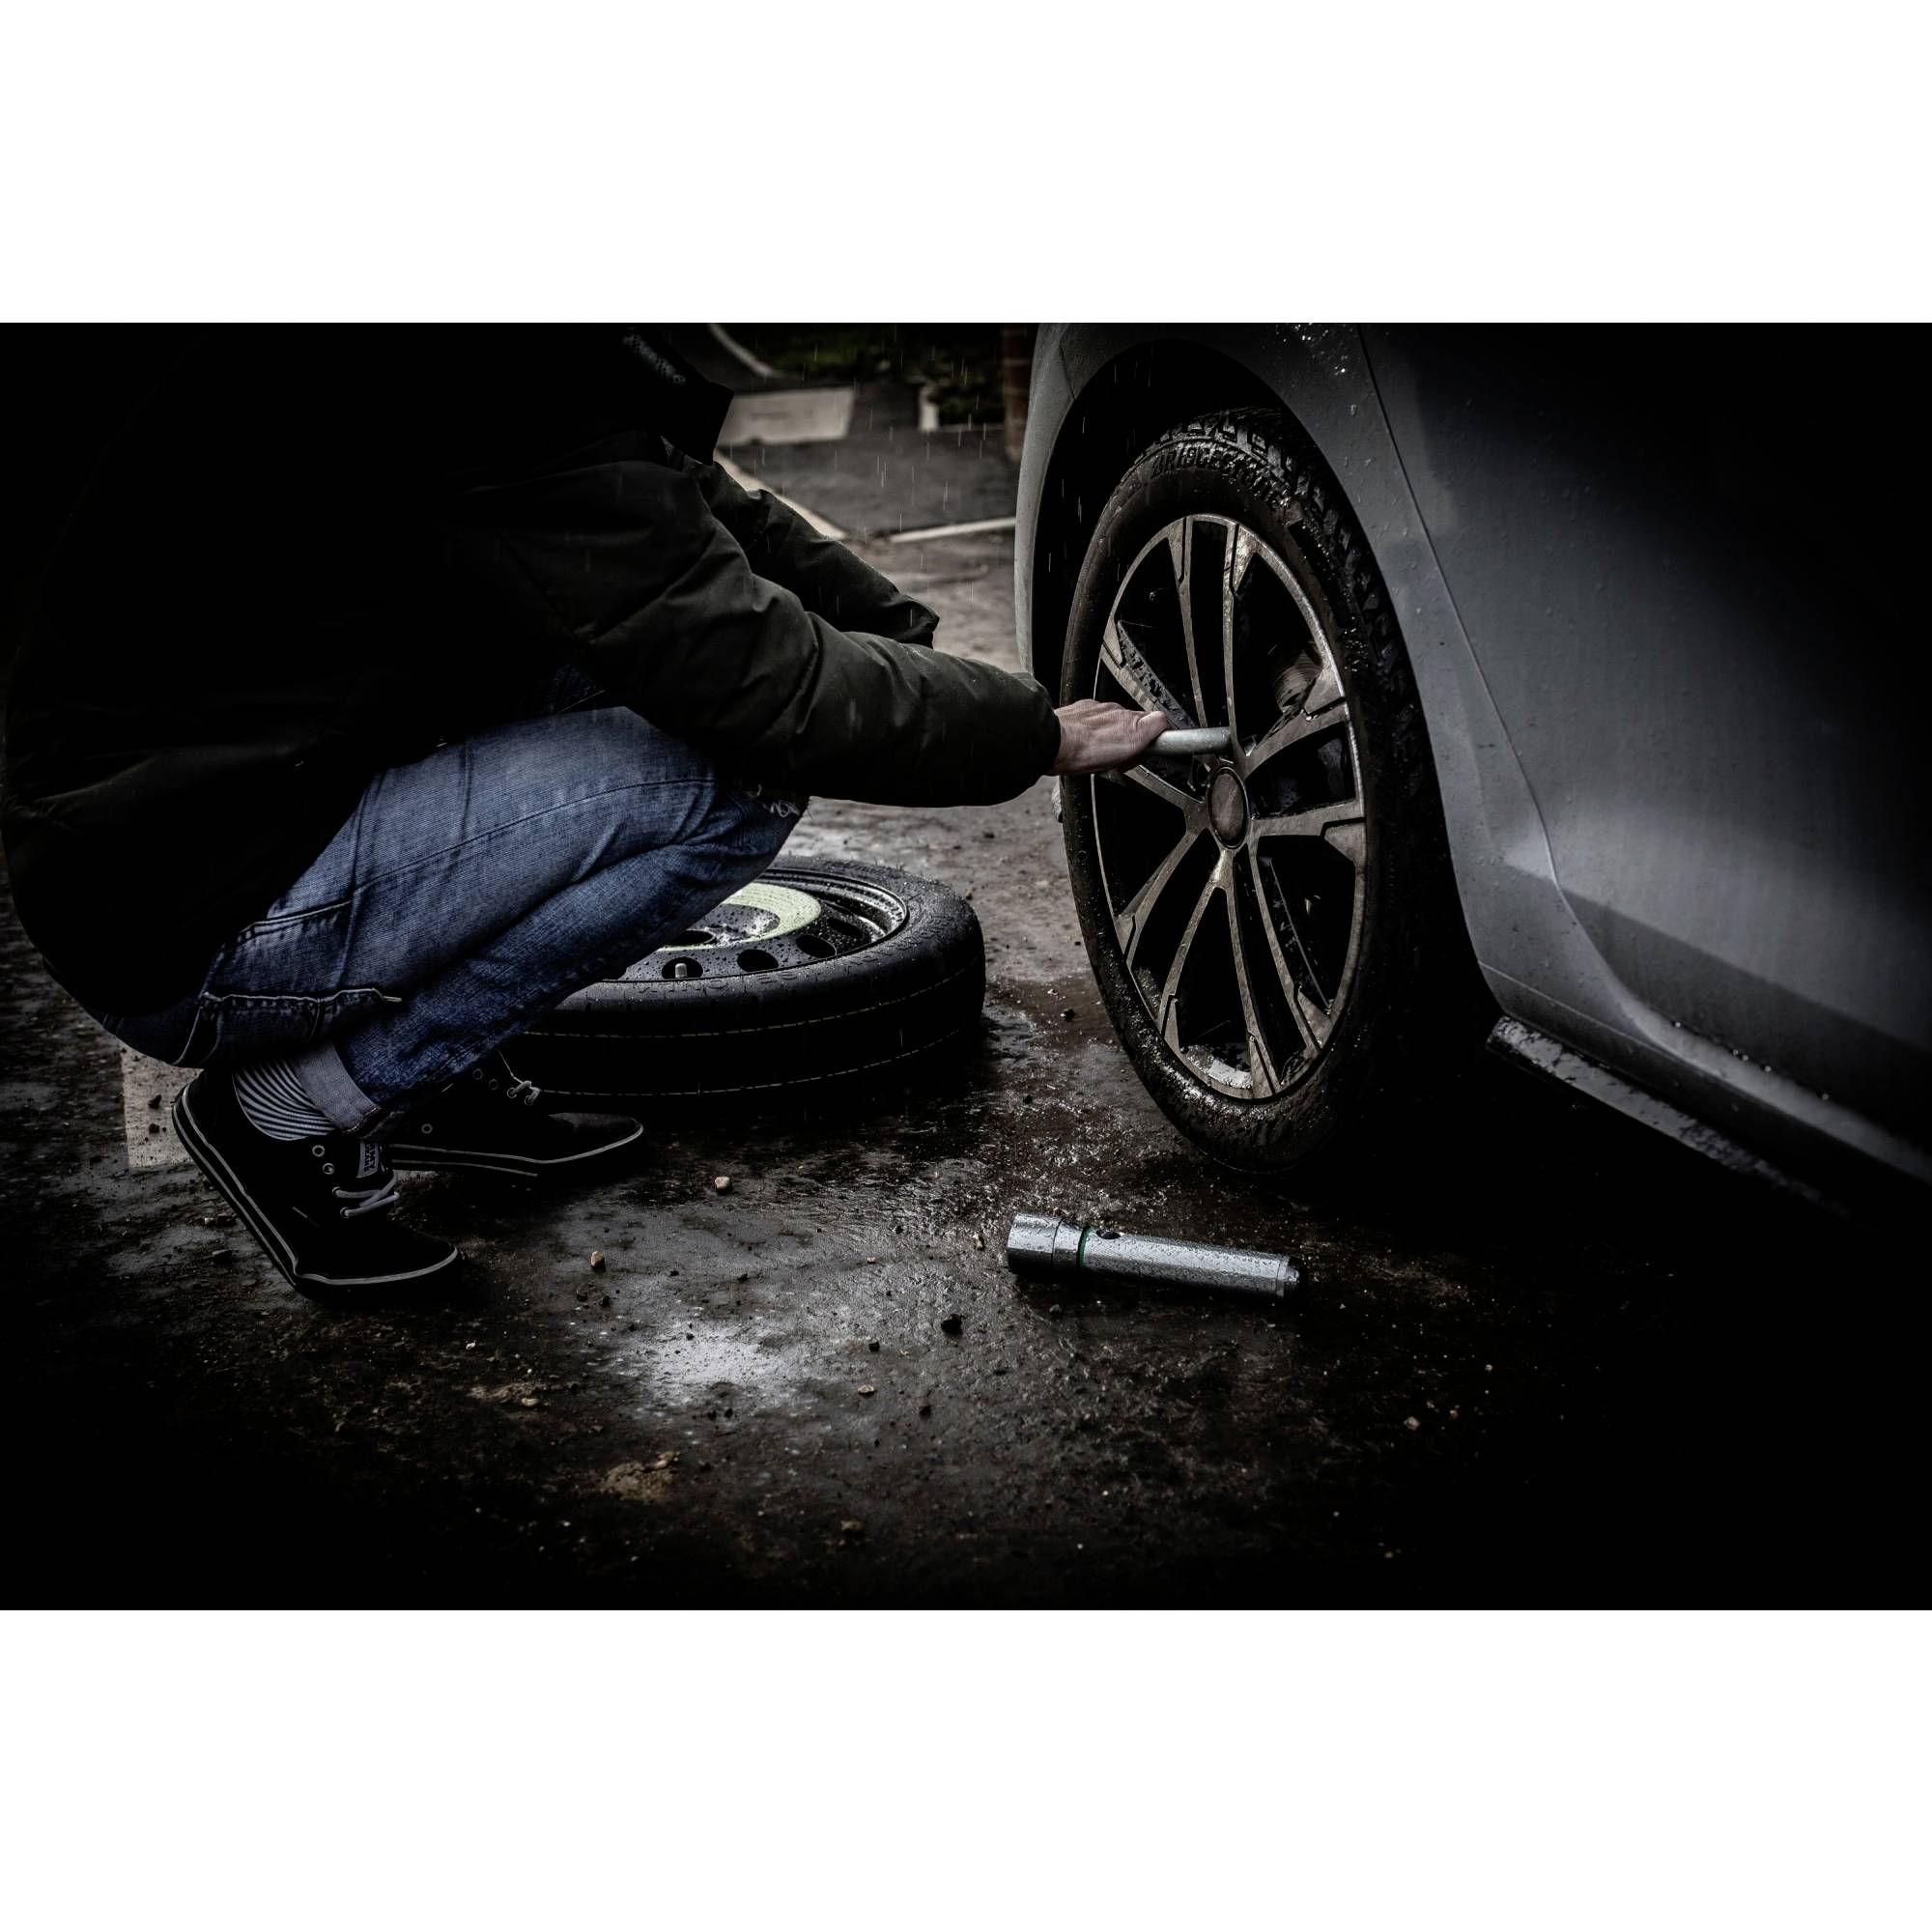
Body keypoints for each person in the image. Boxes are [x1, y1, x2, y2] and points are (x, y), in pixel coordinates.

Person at [2, 328, 1165, 1295]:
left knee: (608, 678)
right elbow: (759, 680)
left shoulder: (501, 336)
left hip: (220, 809)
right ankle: (296, 1108)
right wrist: (1028, 730)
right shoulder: (480, 368)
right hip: (189, 914)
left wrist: (910, 645)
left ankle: (435, 1071)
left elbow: (683, 508)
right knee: (730, 776)